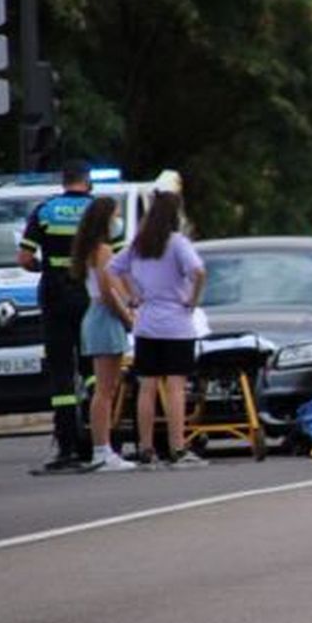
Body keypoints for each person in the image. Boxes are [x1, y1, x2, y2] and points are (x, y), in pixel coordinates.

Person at [109, 192, 207, 468]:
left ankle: (146, 447)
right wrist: (193, 299)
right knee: (176, 387)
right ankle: (177, 447)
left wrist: (132, 296)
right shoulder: (177, 243)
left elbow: (113, 268)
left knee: (147, 387)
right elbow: (198, 271)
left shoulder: (139, 244)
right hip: (177, 323)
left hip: (147, 323)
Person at [18, 159, 98, 473]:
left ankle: (66, 447)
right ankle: (102, 441)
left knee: (62, 372)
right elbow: (116, 258)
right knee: (94, 371)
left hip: (54, 295)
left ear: (63, 181)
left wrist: (45, 267)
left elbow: (24, 258)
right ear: (87, 181)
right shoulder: (100, 210)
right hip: (89, 296)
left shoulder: (45, 210)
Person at [68, 197, 139, 472]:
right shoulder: (102, 250)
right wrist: (127, 318)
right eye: (115, 216)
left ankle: (103, 449)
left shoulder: (93, 249)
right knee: (106, 389)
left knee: (106, 388)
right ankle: (102, 450)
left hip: (98, 316)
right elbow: (108, 291)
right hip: (104, 318)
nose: (117, 222)